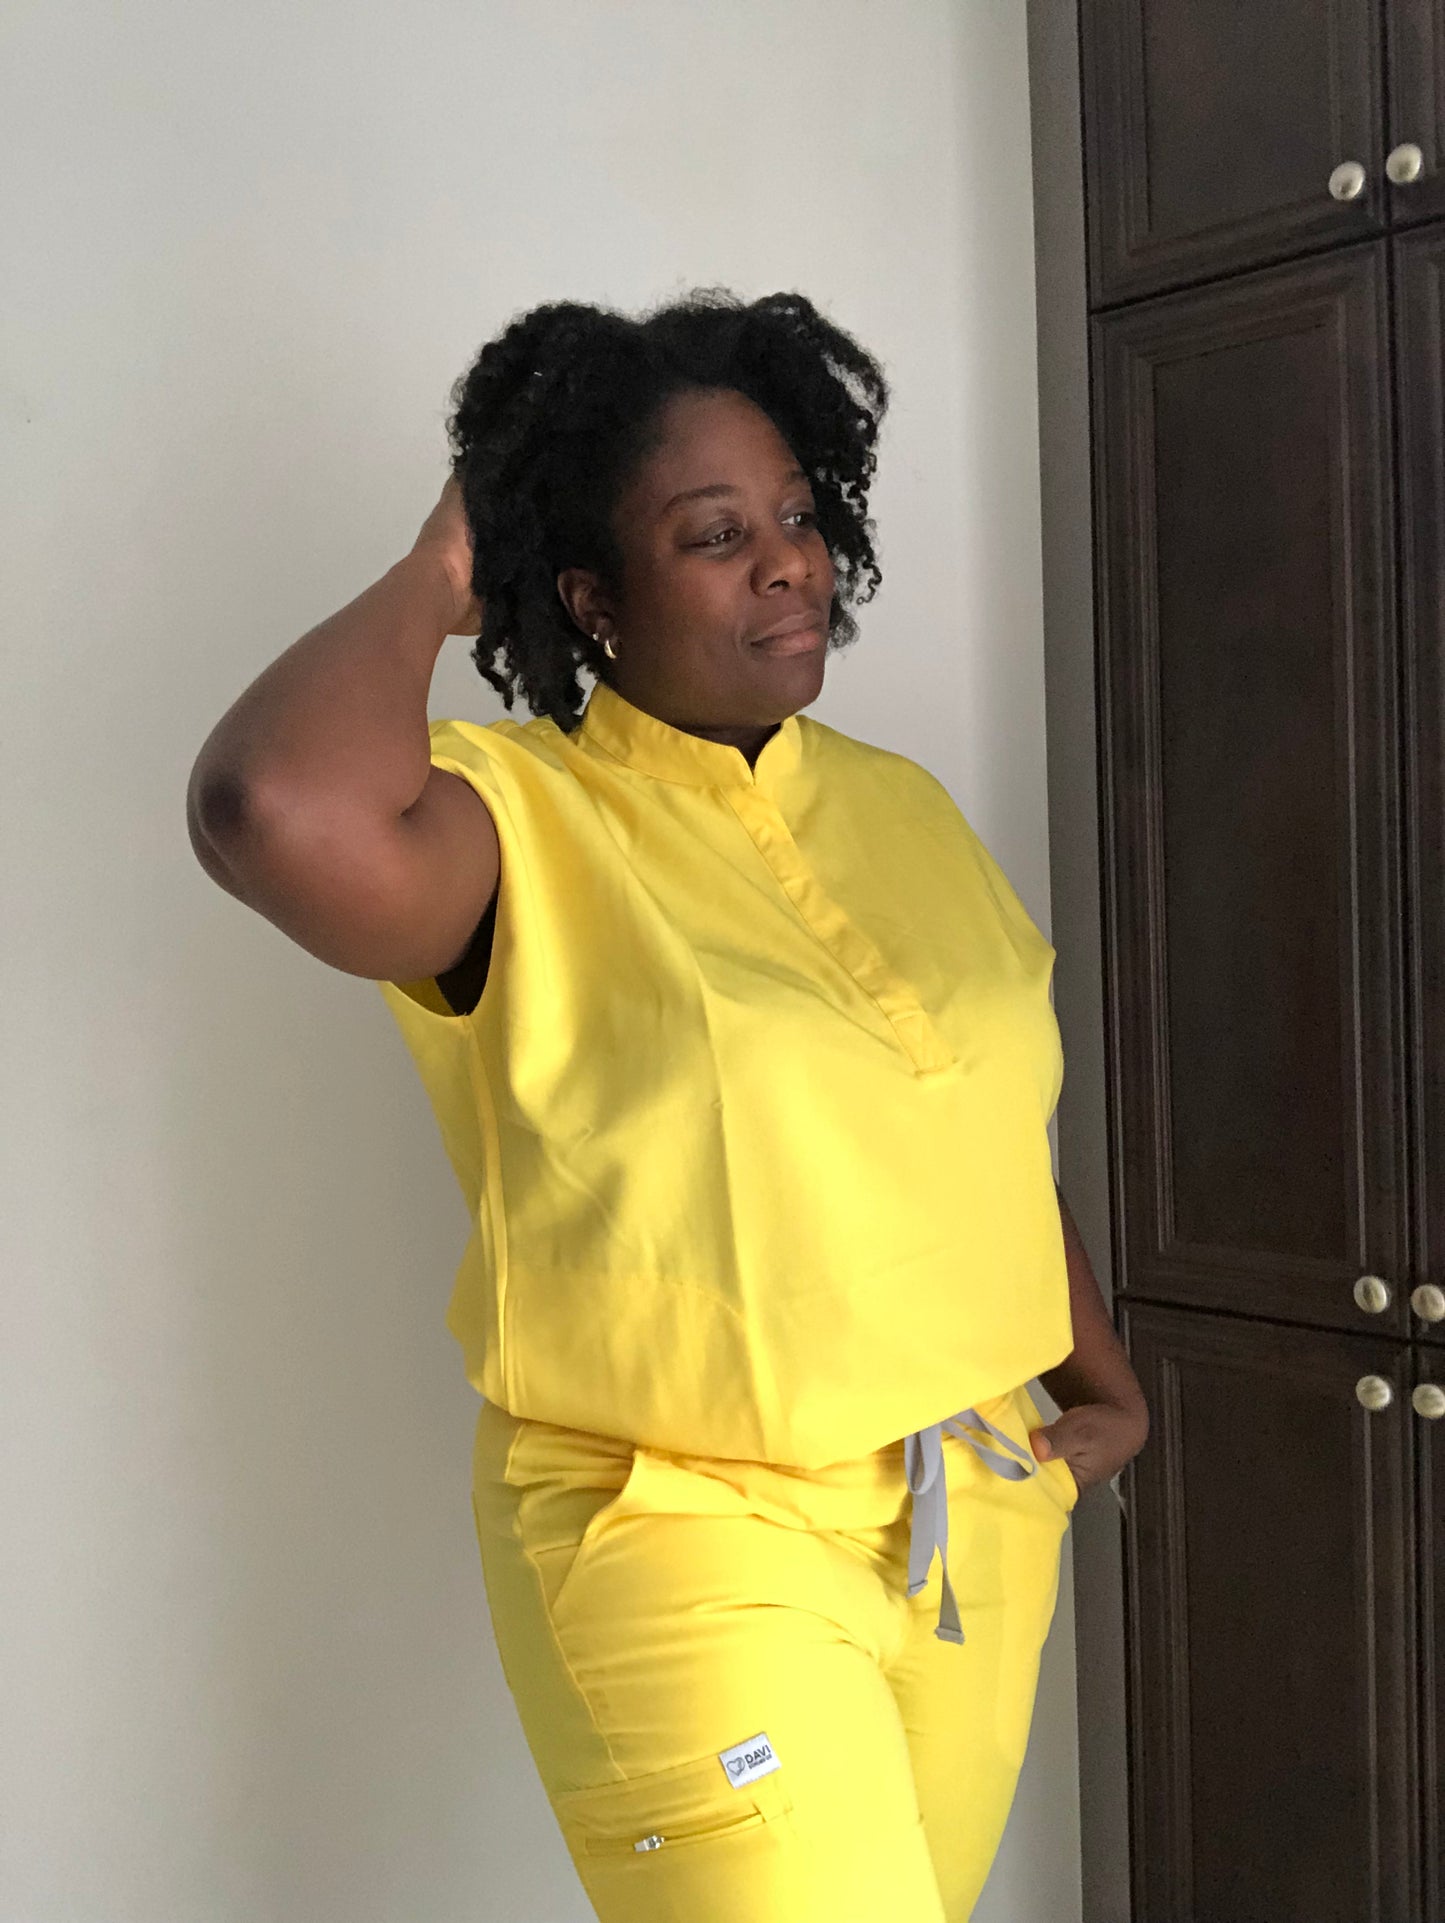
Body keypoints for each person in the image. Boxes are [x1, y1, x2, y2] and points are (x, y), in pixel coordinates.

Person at [187, 287, 1148, 1923]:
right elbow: (265, 807)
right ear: (588, 595)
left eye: (794, 516)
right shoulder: (508, 820)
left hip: (969, 1508)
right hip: (685, 1529)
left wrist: (1095, 1390)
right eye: (714, 534)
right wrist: (440, 570)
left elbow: (970, 1133)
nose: (786, 559)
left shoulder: (900, 807)